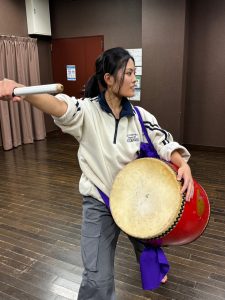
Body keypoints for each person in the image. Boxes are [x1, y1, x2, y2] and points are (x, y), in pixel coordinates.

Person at [0, 47, 194, 300]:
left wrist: (183, 163)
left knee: (148, 240)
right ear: (109, 79)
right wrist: (22, 90)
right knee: (97, 277)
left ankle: (153, 264)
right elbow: (59, 106)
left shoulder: (138, 115)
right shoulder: (87, 111)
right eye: (129, 73)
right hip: (100, 201)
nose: (135, 79)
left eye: (136, 73)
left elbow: (162, 140)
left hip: (136, 200)